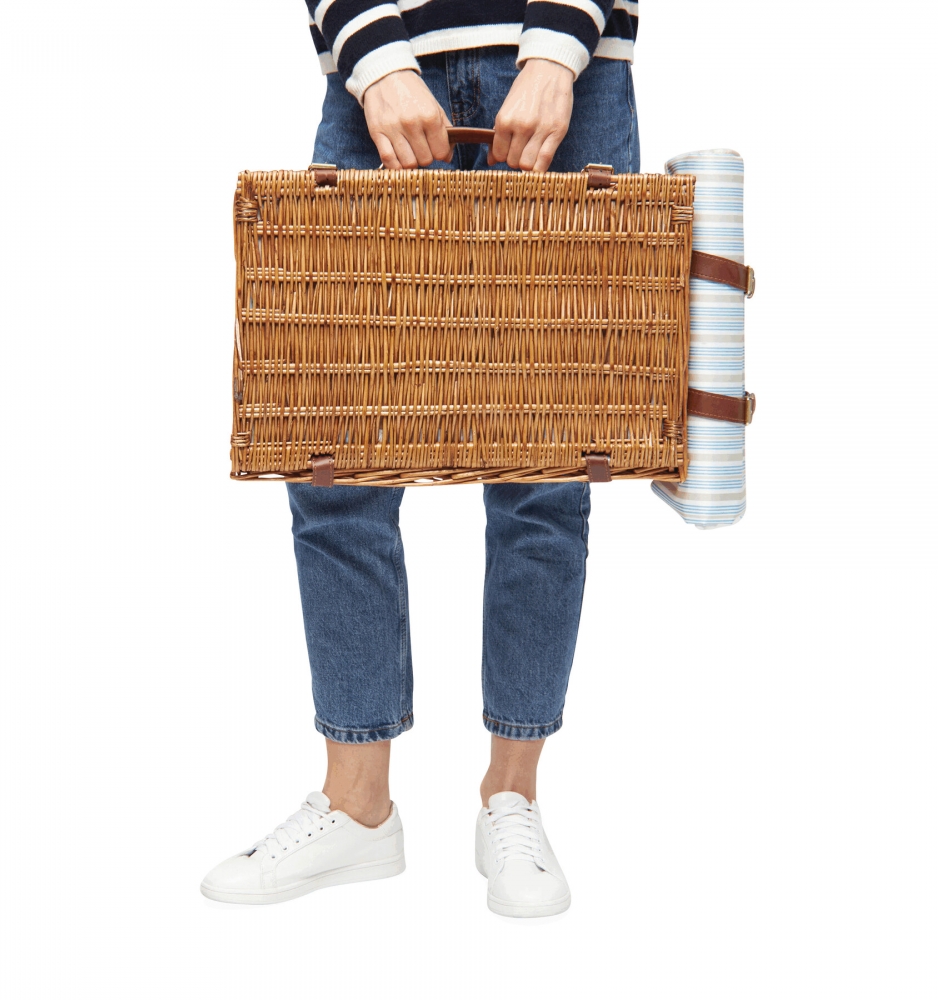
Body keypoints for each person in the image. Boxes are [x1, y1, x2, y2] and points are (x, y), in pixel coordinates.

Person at [201, 0, 640, 917]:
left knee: (547, 463)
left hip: (568, 69)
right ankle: (358, 808)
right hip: (380, 75)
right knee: (334, 460)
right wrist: (374, 57)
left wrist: (558, 52)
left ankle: (512, 797)